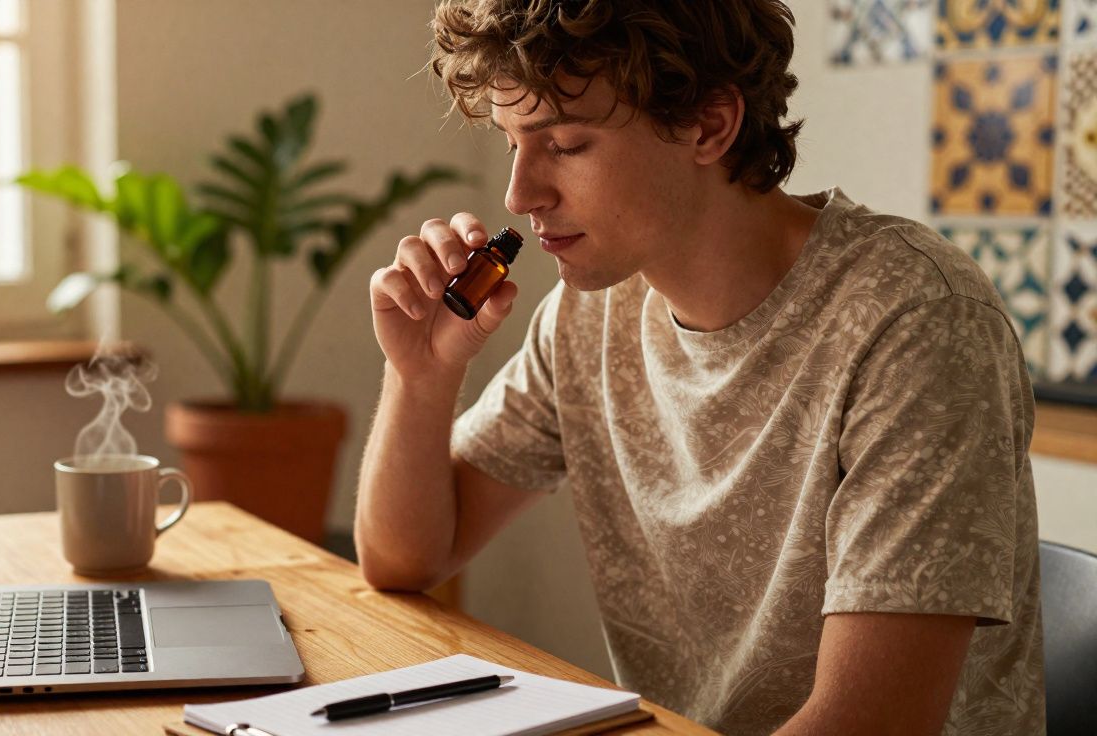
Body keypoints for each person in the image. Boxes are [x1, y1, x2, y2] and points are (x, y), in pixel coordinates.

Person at [353, 1, 1044, 733]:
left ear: (710, 125)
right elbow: (405, 558)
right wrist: (421, 374)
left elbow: (869, 723)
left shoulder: (914, 322)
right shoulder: (589, 315)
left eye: (565, 143)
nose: (520, 195)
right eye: (513, 142)